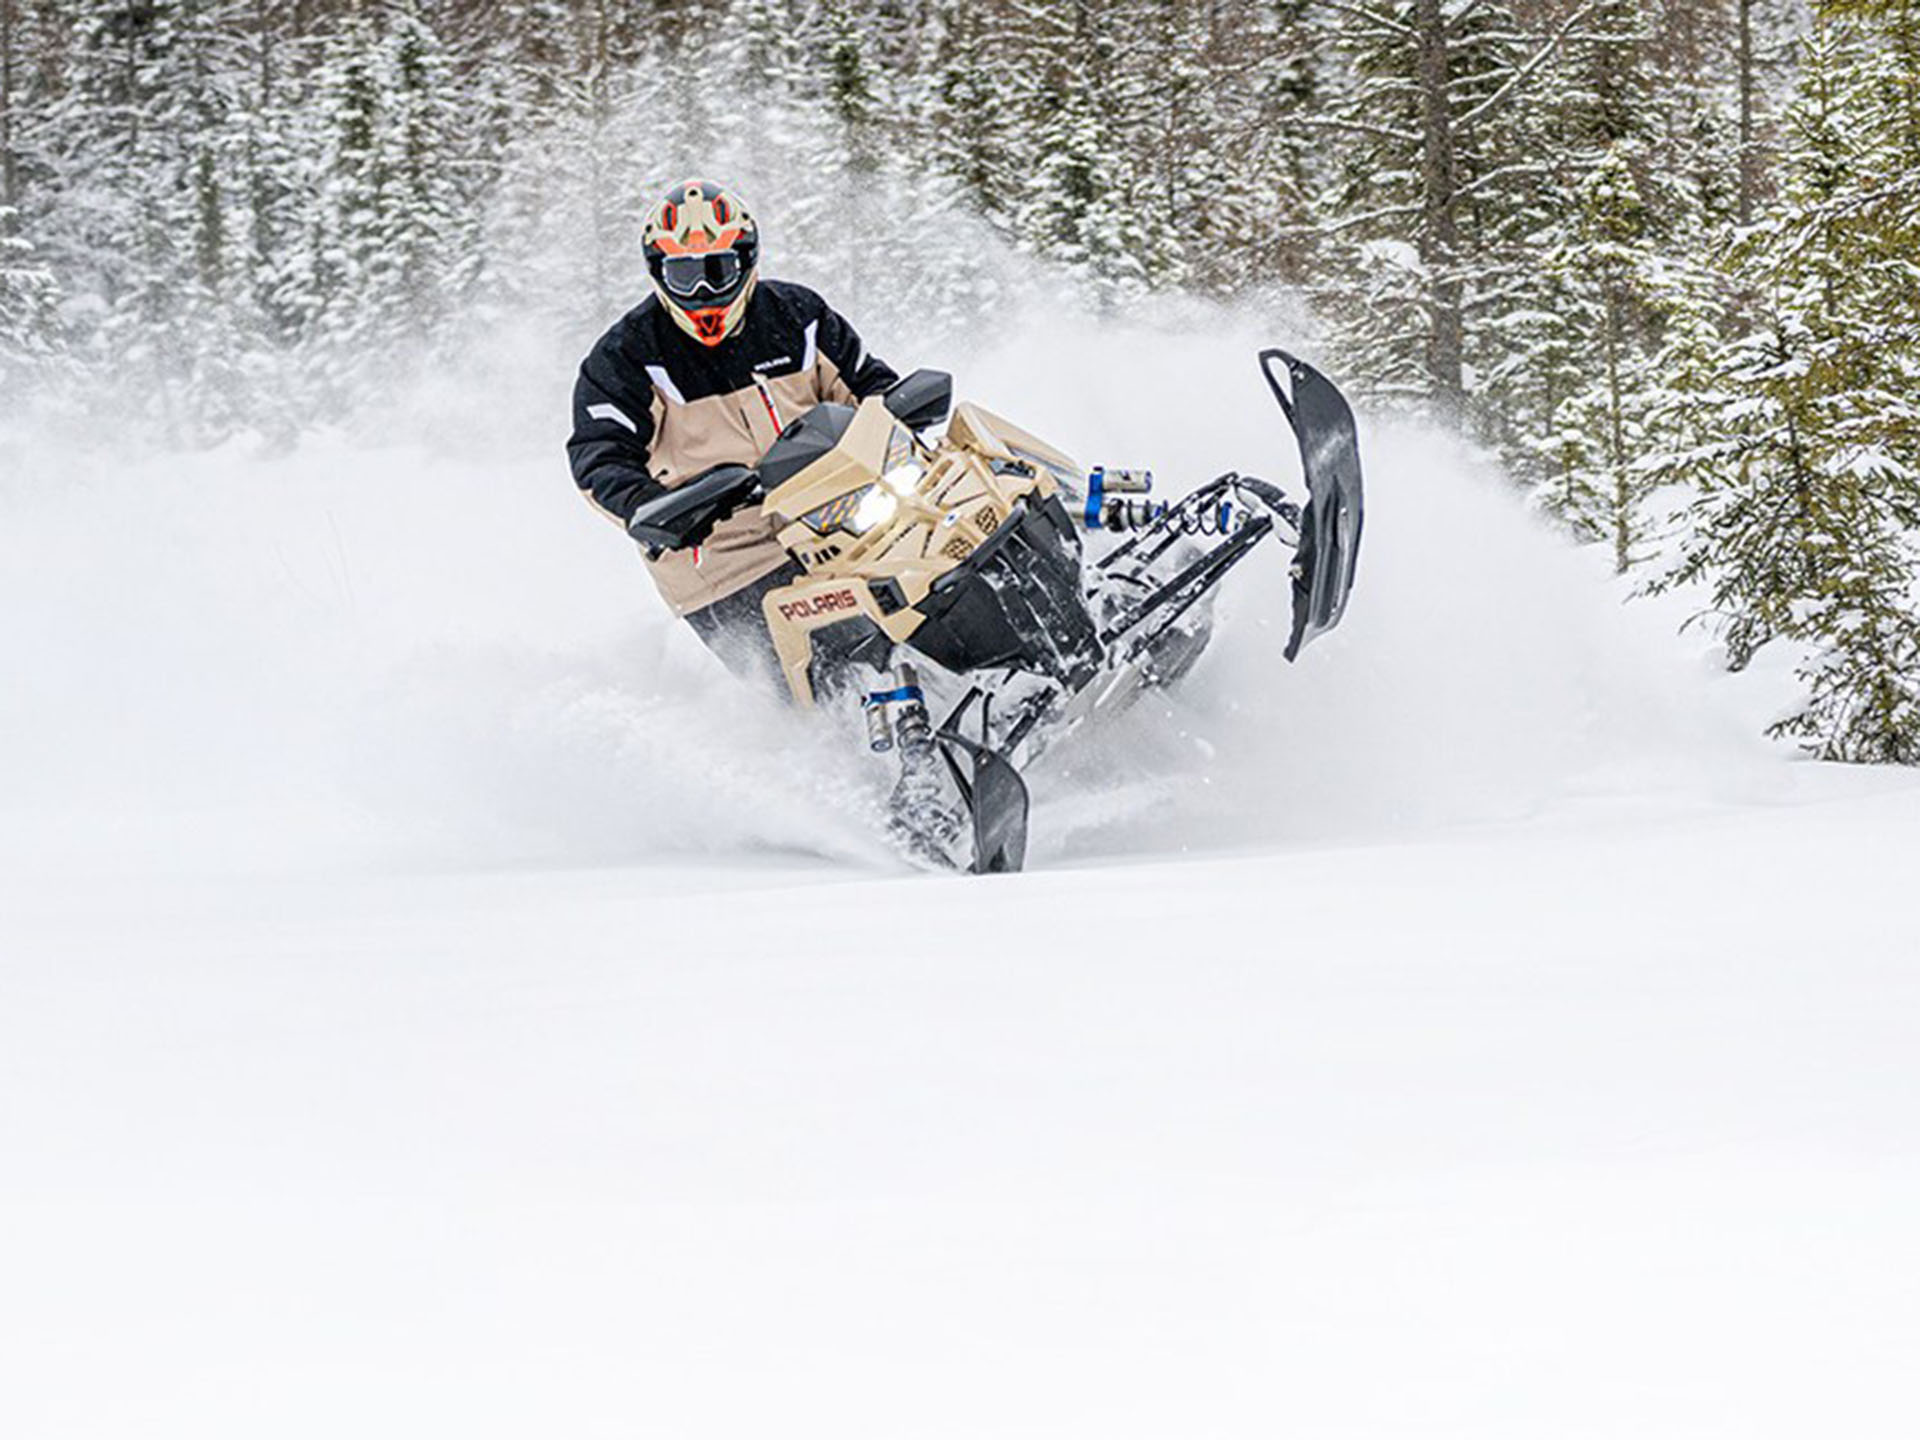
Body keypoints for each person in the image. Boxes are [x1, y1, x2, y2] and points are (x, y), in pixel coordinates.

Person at [566, 179, 899, 682]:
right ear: (659, 274)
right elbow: (599, 456)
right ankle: (845, 751)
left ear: (747, 261)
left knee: (937, 583)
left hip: (836, 517)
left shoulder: (798, 316)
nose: (703, 292)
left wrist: (902, 413)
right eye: (684, 275)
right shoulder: (626, 357)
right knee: (844, 674)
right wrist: (656, 510)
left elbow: (869, 384)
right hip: (726, 558)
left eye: (718, 270)